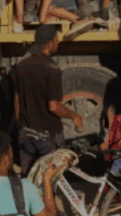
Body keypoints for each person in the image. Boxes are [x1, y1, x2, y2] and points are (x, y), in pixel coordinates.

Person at [13, 25, 84, 175]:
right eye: (56, 40)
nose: (58, 43)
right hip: (47, 135)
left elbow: (17, 99)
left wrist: (20, 125)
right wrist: (74, 115)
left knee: (28, 176)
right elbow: (53, 106)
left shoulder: (21, 66)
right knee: (50, 177)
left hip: (25, 132)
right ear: (48, 44)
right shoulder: (52, 68)